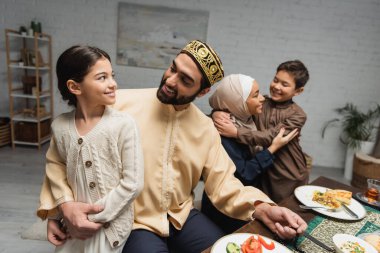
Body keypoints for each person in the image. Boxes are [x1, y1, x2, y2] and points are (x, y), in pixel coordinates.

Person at [38, 40, 307, 253]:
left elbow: (224, 185)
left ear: (202, 92)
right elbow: (62, 155)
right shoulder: (118, 104)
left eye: (185, 80)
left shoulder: (205, 129)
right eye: (173, 67)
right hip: (132, 221)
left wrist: (263, 208)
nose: (170, 80)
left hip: (181, 215)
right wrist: (62, 206)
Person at [38, 45, 144, 253]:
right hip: (70, 225)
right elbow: (54, 171)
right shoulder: (60, 127)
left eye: (112, 75)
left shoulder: (124, 125)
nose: (113, 84)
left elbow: (133, 183)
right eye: (102, 77)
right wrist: (57, 214)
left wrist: (87, 218)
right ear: (75, 87)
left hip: (107, 227)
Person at [201, 73, 299, 233]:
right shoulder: (222, 134)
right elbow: (245, 173)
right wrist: (272, 148)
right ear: (237, 102)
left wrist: (216, 112)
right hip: (228, 209)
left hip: (251, 198)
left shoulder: (246, 119)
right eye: (255, 95)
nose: (262, 98)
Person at [213, 60, 310, 203]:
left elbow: (272, 136)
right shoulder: (262, 101)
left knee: (287, 211)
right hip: (264, 166)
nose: (276, 86)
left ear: (298, 91)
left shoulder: (298, 115)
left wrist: (236, 133)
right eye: (275, 80)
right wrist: (217, 112)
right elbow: (236, 104)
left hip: (288, 172)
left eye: (284, 84)